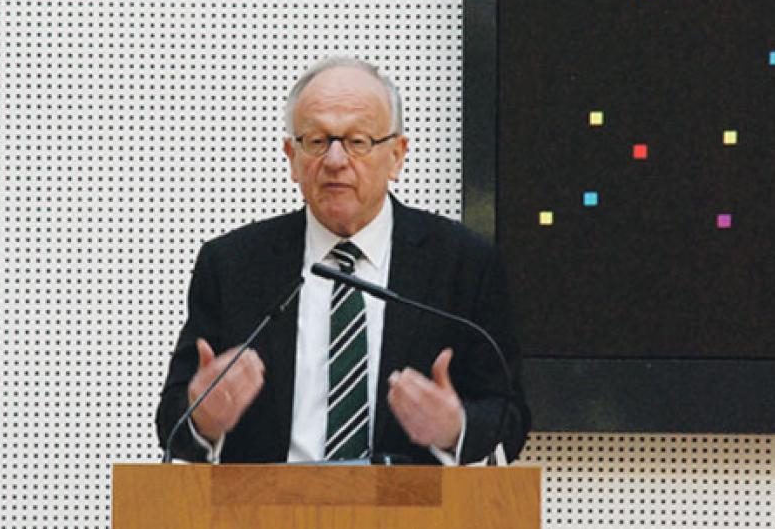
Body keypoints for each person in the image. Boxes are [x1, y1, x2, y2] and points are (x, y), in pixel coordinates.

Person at [156, 56, 530, 465]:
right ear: (292, 157)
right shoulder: (232, 264)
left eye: (358, 141)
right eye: (317, 141)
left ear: (397, 155)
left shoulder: (463, 263)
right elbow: (174, 421)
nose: (335, 161)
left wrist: (456, 430)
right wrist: (202, 422)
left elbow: (508, 416)